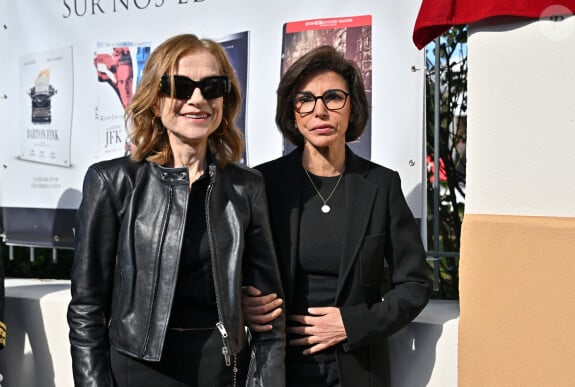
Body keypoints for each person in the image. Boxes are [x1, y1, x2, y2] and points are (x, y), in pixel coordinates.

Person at [67, 33, 286, 387]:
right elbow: (86, 310)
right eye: (179, 87)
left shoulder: (246, 187)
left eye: (212, 86)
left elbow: (270, 316)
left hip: (221, 370)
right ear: (155, 101)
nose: (197, 99)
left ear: (224, 99)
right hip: (136, 372)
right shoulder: (113, 183)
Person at [242, 45, 432, 386]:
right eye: (306, 99)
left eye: (333, 97)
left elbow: (415, 284)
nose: (320, 111)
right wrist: (240, 302)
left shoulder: (381, 185)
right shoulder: (263, 183)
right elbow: (227, 267)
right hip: (276, 367)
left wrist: (352, 324)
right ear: (293, 112)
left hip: (356, 368)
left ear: (352, 107)